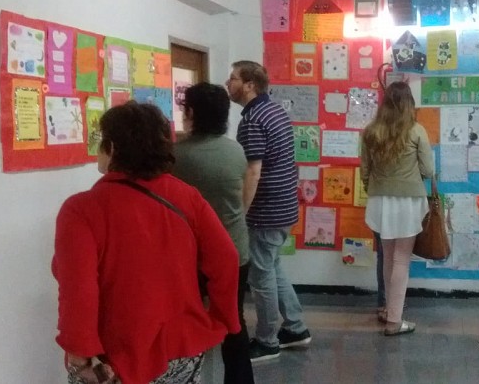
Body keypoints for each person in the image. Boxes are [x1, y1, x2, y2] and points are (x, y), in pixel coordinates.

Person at [52, 102, 240, 384]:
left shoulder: (81, 210)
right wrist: (222, 318)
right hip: (182, 345)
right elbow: (226, 258)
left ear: (112, 148)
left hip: (116, 356)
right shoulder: (186, 196)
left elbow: (78, 288)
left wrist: (80, 355)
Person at [226, 60, 311, 362]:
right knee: (272, 267)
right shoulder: (274, 110)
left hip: (265, 211)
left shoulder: (253, 120)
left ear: (249, 85)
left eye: (233, 78)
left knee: (261, 277)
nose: (228, 83)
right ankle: (296, 329)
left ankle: (267, 341)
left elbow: (253, 171)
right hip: (283, 207)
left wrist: (240, 212)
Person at [173, 82, 255, 383]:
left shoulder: (175, 157)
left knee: (187, 318)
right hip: (234, 249)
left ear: (192, 112)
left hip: (191, 255)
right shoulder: (235, 151)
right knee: (234, 320)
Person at [361, 81, 434, 336]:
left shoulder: (371, 131)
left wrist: (374, 187)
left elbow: (365, 171)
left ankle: (387, 310)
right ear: (409, 104)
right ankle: (394, 320)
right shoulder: (416, 130)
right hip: (408, 201)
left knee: (387, 258)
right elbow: (428, 170)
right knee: (401, 259)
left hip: (379, 200)